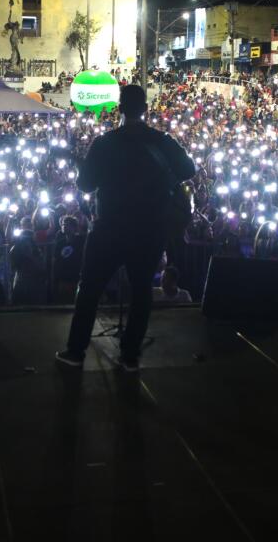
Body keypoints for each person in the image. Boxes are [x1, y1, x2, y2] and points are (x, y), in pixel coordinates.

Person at [56, 85, 195, 371]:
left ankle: (75, 352)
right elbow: (188, 170)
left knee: (91, 288)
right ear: (145, 109)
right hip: (149, 229)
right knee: (141, 290)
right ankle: (130, 355)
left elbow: (85, 185)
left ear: (120, 108)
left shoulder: (105, 143)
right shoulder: (162, 141)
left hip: (110, 227)